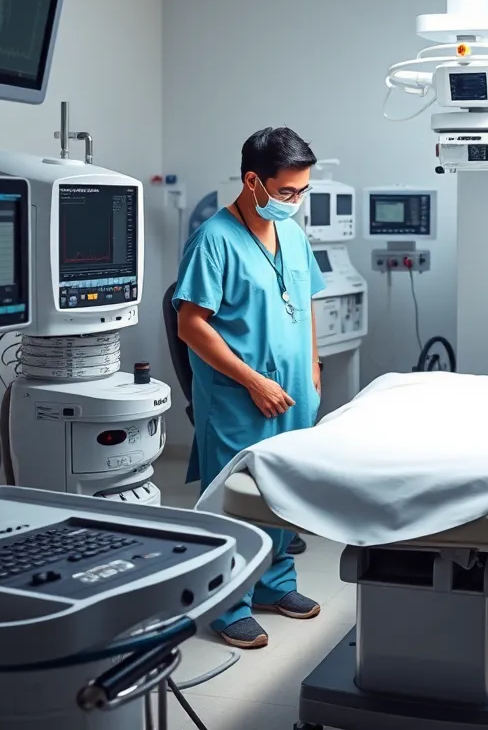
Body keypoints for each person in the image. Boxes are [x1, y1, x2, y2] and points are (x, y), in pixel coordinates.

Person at [174, 127, 326, 649]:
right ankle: (227, 602)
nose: (295, 202)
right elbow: (191, 325)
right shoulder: (214, 239)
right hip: (241, 395)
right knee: (237, 500)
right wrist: (254, 381)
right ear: (253, 181)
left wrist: (313, 366)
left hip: (294, 392)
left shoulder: (293, 234)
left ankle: (273, 585)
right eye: (287, 192)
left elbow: (305, 301)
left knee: (285, 492)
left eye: (303, 192)